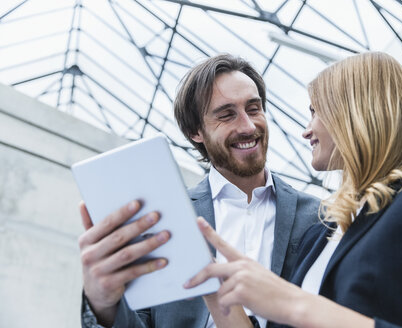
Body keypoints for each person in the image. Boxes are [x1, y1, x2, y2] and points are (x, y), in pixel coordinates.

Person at [185, 52, 402, 327]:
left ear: (356, 114)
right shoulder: (322, 233)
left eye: (316, 112)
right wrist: (213, 286)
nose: (306, 130)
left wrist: (295, 305)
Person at [78, 54, 320, 328]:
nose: (248, 126)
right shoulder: (162, 221)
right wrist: (102, 306)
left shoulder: (319, 217)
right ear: (196, 131)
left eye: (253, 109)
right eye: (227, 115)